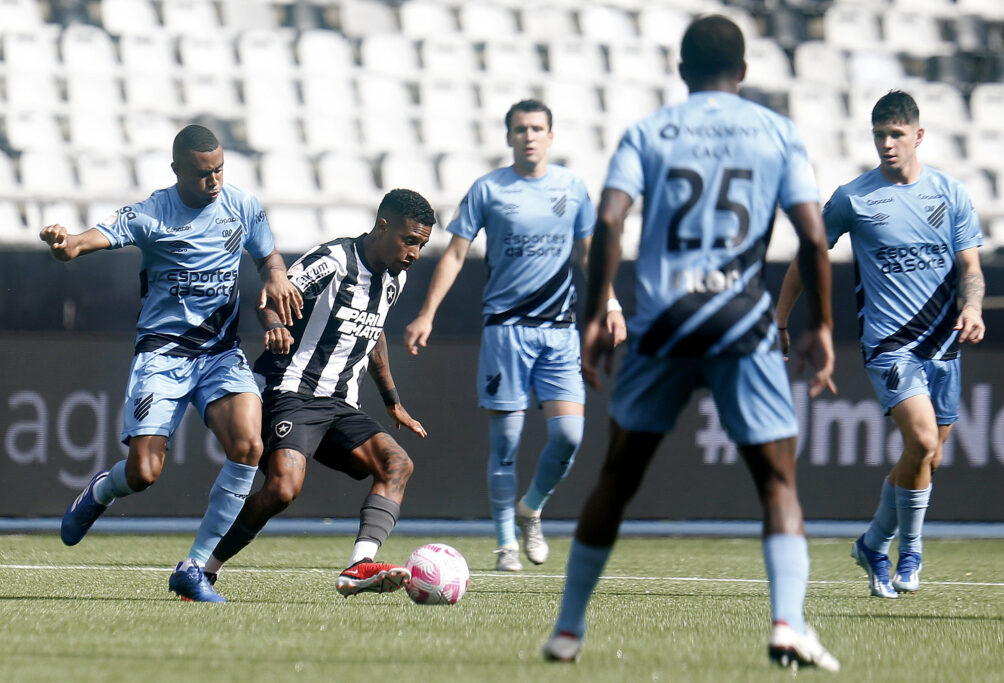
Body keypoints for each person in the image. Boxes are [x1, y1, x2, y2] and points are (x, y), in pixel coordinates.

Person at [542, 16, 840, 671]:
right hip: (741, 320)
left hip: (665, 320)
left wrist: (596, 313)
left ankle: (567, 628)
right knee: (777, 483)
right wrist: (820, 324)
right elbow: (815, 238)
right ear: (744, 71)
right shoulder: (777, 132)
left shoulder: (649, 132)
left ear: (680, 69)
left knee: (617, 477)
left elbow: (610, 218)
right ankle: (787, 623)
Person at [41, 124, 302, 603]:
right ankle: (101, 491)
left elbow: (269, 259)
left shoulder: (242, 205)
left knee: (248, 444)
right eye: (204, 173)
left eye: (220, 169)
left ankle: (195, 567)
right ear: (177, 170)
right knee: (143, 473)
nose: (215, 181)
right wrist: (67, 244)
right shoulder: (152, 213)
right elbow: (86, 240)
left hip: (221, 354)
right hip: (163, 355)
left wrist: (278, 277)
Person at [775, 90, 985, 600]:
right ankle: (910, 551)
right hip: (891, 348)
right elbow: (809, 256)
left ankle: (872, 544)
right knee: (923, 444)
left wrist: (973, 306)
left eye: (896, 135)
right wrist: (779, 319)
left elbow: (971, 269)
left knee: (926, 461)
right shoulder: (854, 197)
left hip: (944, 346)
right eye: (879, 136)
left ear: (918, 135)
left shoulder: (951, 194)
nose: (887, 145)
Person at [404, 99, 619, 572]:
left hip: (559, 333)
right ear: (508, 137)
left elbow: (589, 256)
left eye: (537, 128)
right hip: (506, 332)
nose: (529, 136)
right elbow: (456, 255)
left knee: (569, 435)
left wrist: (611, 304)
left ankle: (531, 509)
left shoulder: (571, 187)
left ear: (551, 135)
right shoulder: (489, 189)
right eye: (520, 129)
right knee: (507, 443)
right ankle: (505, 542)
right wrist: (426, 313)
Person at [202, 189, 435, 597]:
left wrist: (392, 401)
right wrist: (274, 324)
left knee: (397, 464)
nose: (415, 252)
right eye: (410, 240)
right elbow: (272, 295)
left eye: (422, 245)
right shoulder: (334, 260)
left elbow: (374, 331)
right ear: (383, 226)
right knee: (282, 489)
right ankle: (205, 568)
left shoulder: (396, 277)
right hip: (291, 391)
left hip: (341, 405)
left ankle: (358, 566)